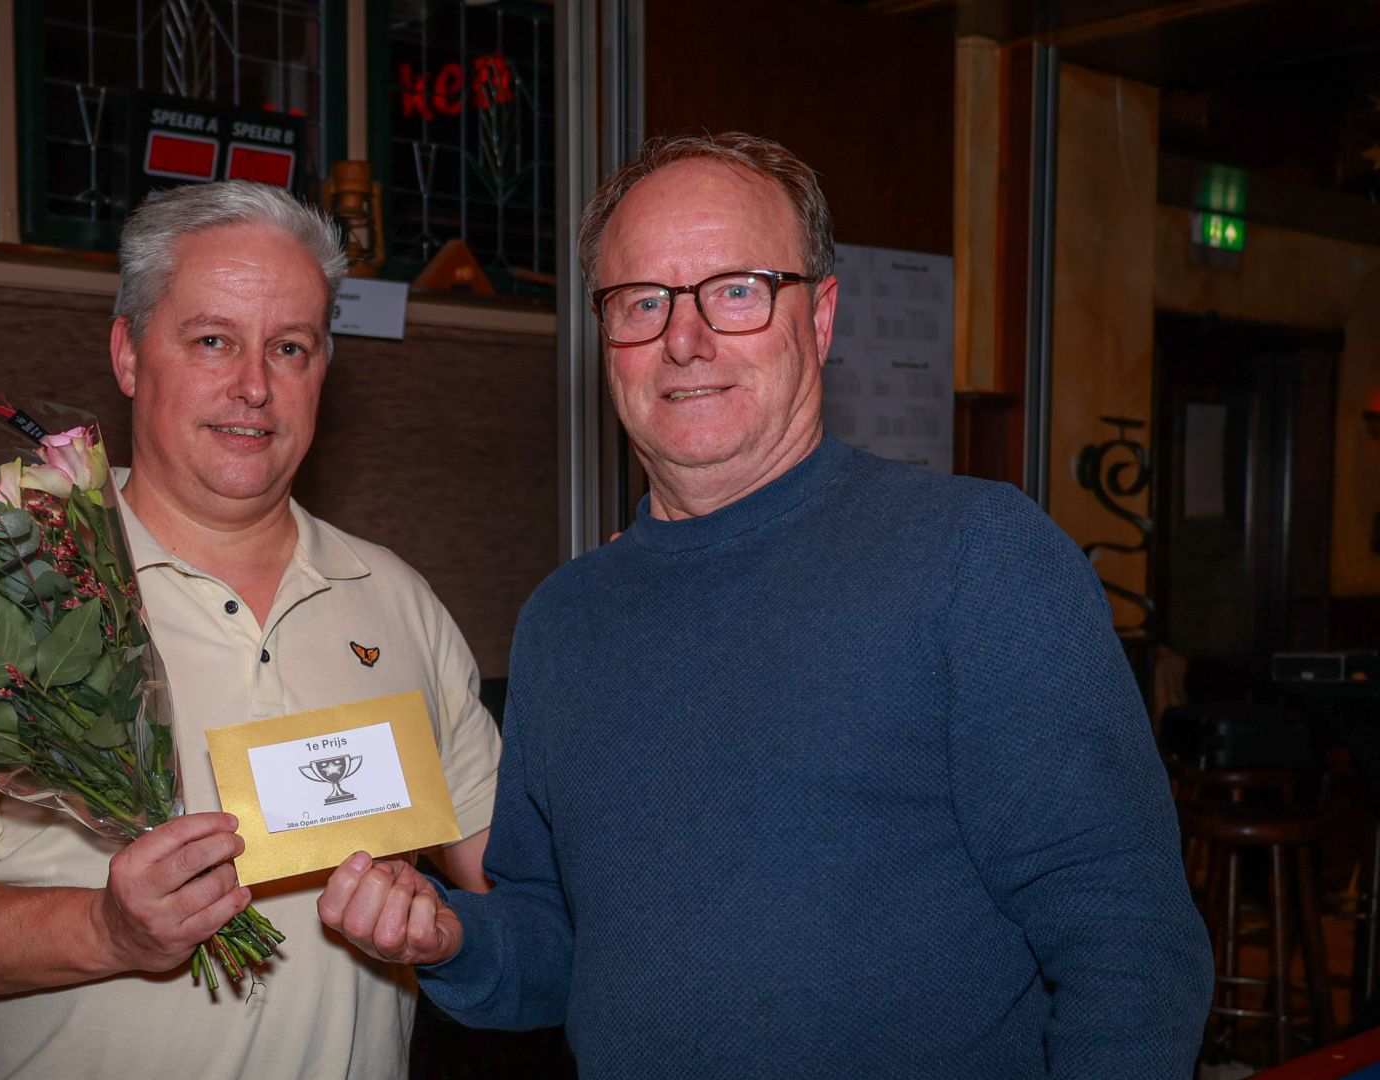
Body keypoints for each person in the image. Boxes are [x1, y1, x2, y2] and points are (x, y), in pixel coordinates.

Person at [317, 133, 1213, 1078]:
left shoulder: (975, 558)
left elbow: (1129, 941)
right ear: (606, 339)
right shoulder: (564, 619)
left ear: (819, 319)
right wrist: (451, 939)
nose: (685, 338)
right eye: (643, 301)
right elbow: (561, 944)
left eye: (737, 290)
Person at [0, 180, 502, 1080]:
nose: (254, 386)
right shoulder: (7, 594)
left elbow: (508, 889)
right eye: (213, 340)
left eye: (290, 347)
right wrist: (105, 930)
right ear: (129, 353)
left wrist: (442, 929)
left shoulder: (397, 600)